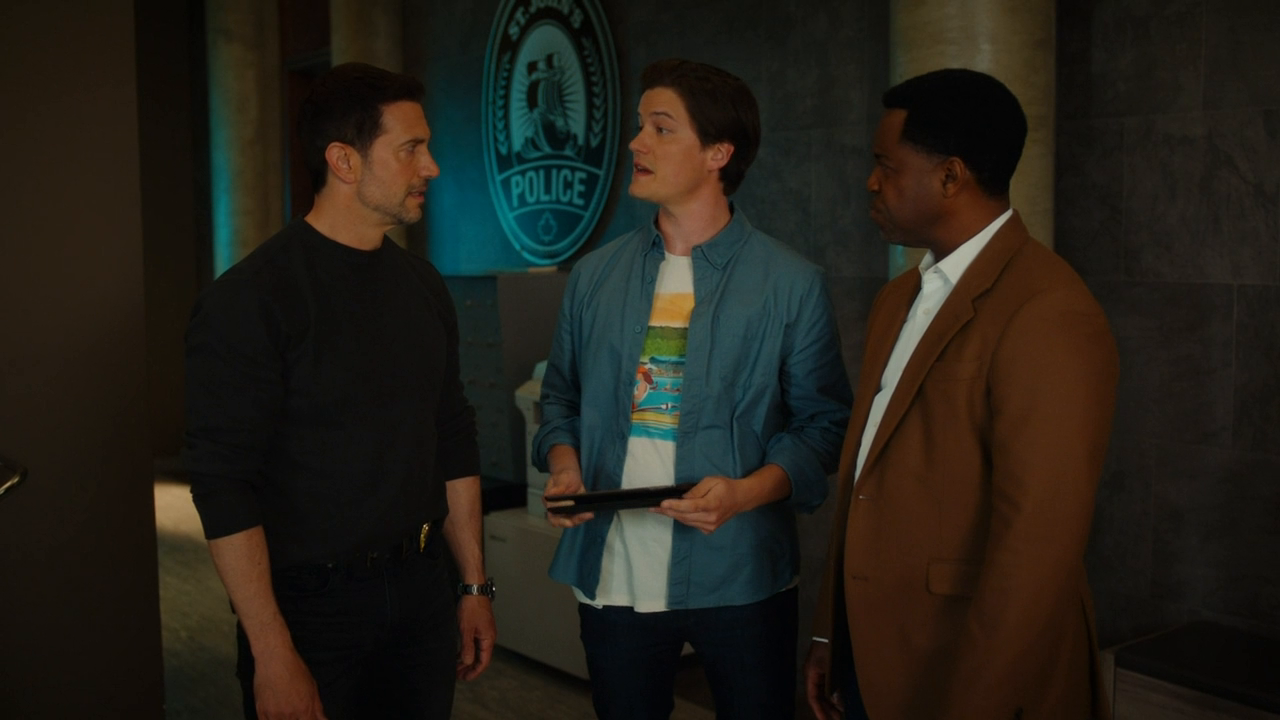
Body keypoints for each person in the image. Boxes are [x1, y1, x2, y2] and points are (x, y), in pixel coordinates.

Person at [533, 58, 852, 720]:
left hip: (740, 573)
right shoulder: (593, 276)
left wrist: (745, 494)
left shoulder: (789, 283)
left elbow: (823, 425)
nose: (636, 142)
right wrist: (564, 465)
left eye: (661, 127)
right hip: (615, 572)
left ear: (718, 153)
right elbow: (559, 397)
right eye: (639, 125)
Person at [183, 62, 495, 720]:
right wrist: (272, 651)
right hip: (310, 612)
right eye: (411, 149)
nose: (431, 167)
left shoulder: (424, 286)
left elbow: (452, 434)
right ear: (344, 161)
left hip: (422, 592)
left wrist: (473, 584)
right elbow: (222, 484)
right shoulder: (251, 300)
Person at [805, 68, 1119, 720]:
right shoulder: (899, 297)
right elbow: (866, 480)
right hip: (876, 658)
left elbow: (1038, 546)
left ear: (950, 176)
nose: (871, 183)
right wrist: (832, 636)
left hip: (967, 677)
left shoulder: (1048, 309)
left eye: (886, 166)